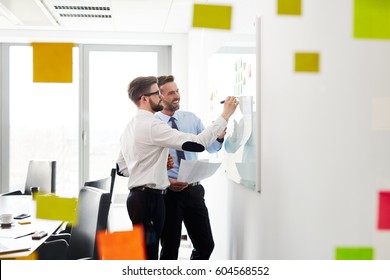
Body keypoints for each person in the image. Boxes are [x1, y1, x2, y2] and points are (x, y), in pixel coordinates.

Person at [116, 76, 238, 260]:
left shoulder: (130, 125)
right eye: (157, 93)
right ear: (144, 98)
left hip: (140, 198)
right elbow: (197, 144)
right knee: (156, 256)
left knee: (148, 257)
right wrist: (225, 116)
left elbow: (121, 168)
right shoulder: (152, 124)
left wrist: (154, 165)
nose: (160, 97)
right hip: (151, 199)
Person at [155, 75, 224, 260]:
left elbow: (211, 147)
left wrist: (218, 137)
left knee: (206, 245)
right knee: (170, 249)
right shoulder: (153, 124)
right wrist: (167, 181)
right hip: (168, 194)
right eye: (171, 93)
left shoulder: (191, 119)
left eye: (177, 91)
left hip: (194, 191)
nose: (176, 95)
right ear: (159, 96)